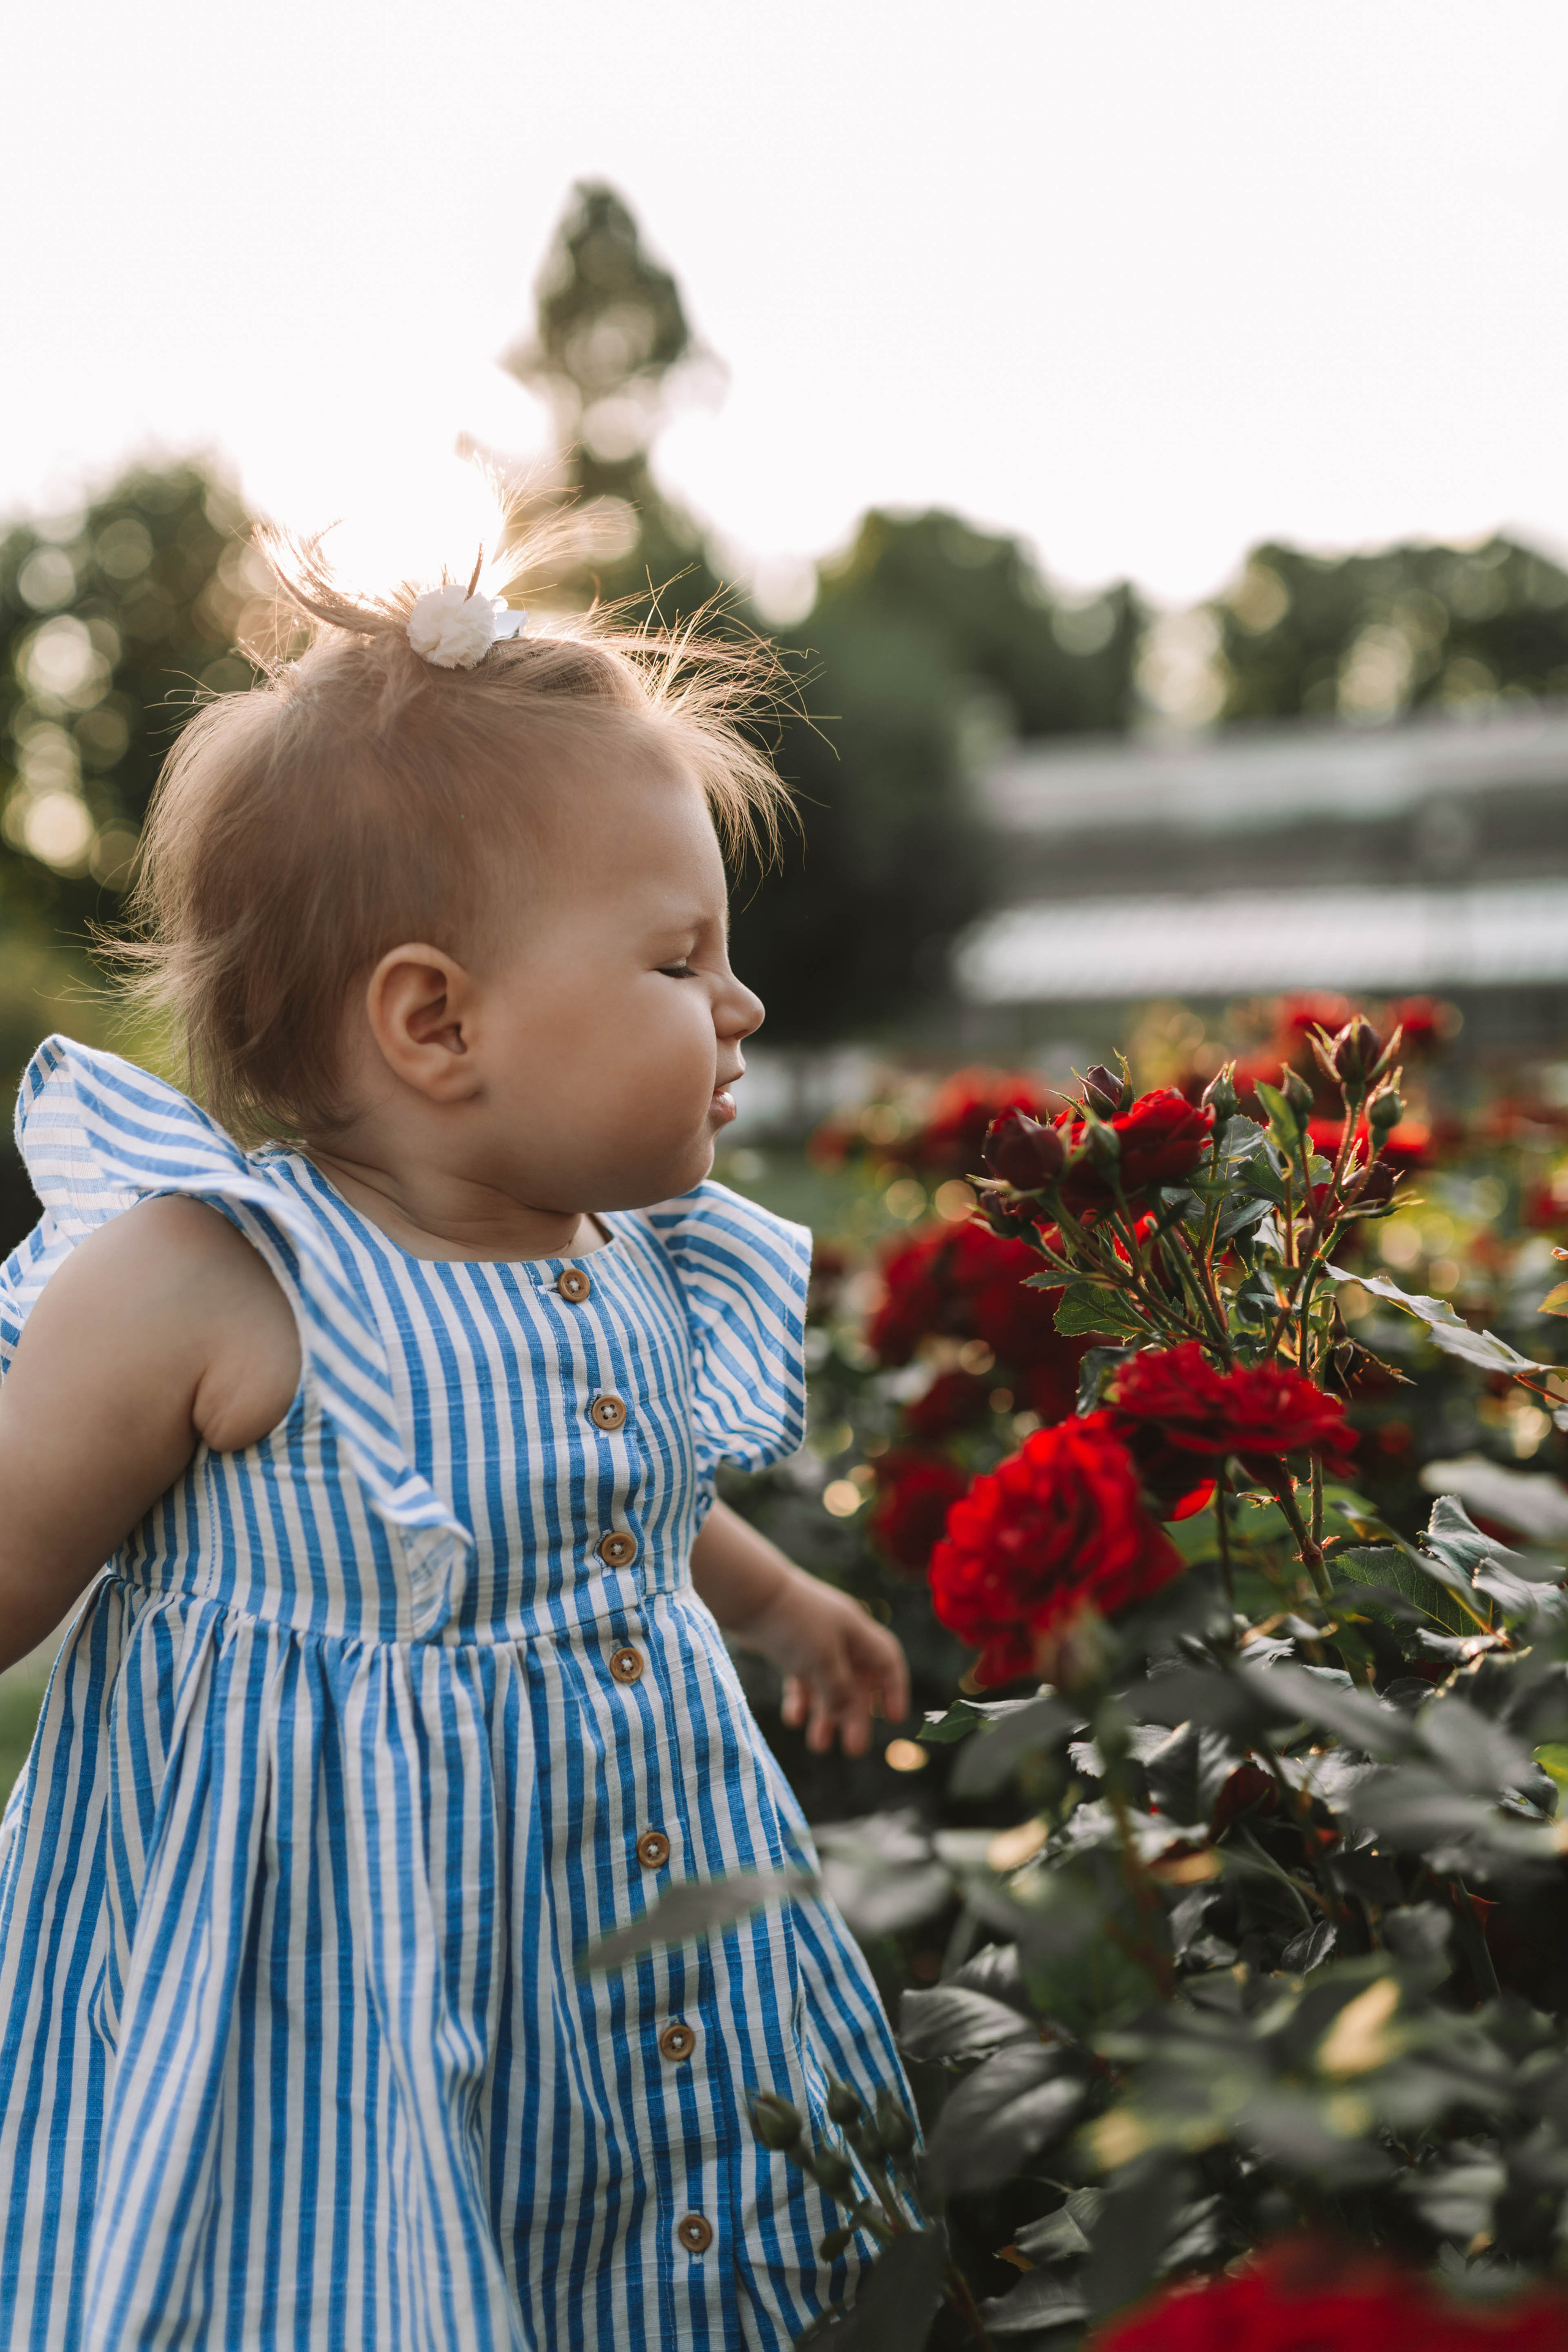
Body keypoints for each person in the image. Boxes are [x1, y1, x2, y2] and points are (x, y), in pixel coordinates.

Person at [0, 535, 912, 2348]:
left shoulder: (627, 1255)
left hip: (633, 1929)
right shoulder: (215, 1281)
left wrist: (777, 1595)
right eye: (680, 959)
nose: (741, 1009)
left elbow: (605, 1516)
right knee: (375, 2272)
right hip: (329, 1983)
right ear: (436, 1020)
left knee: (645, 2246)